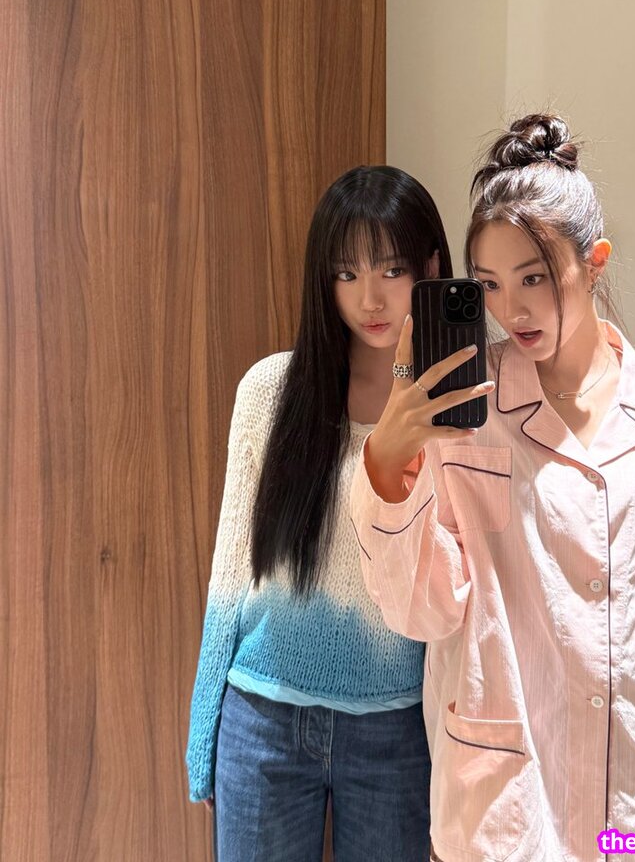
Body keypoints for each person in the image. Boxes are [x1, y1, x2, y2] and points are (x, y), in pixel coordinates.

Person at [349, 114, 635, 862]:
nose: (512, 310)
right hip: (509, 809)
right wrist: (388, 465)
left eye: (535, 278)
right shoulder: (465, 414)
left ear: (594, 263)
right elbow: (422, 611)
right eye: (490, 284)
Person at [186, 165, 454, 861]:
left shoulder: (456, 411)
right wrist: (204, 727)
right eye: (346, 273)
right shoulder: (271, 391)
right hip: (262, 718)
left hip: (398, 731)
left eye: (392, 269)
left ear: (430, 268)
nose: (370, 298)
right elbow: (231, 570)